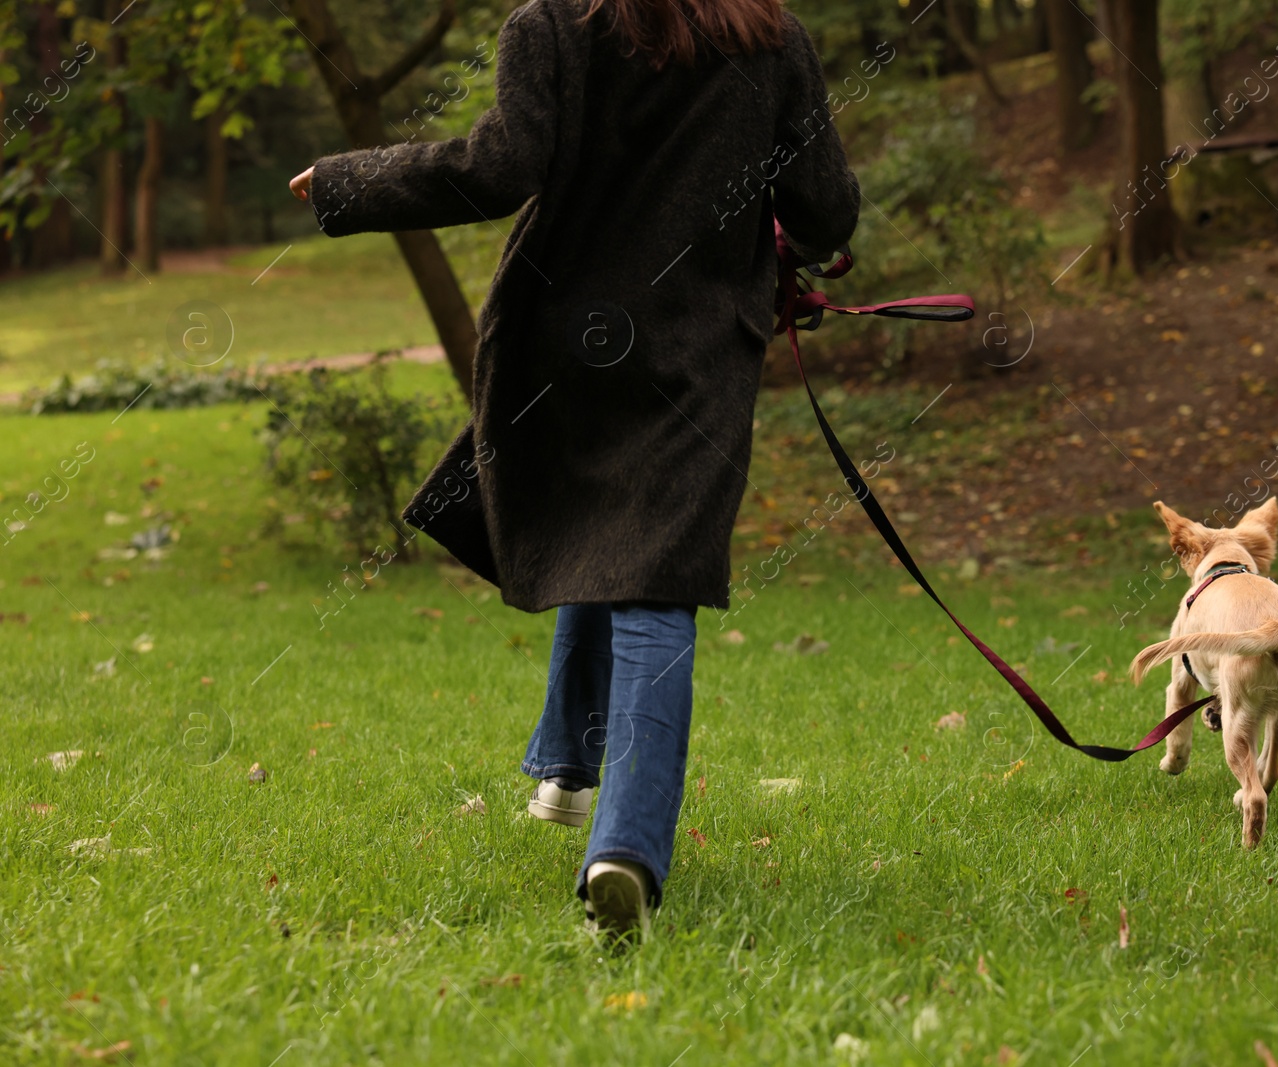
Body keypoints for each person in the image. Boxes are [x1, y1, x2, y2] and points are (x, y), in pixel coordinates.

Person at [288, 0, 860, 939]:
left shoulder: (549, 25)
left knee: (614, 532)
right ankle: (623, 845)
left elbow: (497, 168)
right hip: (696, 350)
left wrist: (349, 181)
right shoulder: (773, 40)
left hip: (568, 341)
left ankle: (567, 771)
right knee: (654, 572)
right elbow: (825, 207)